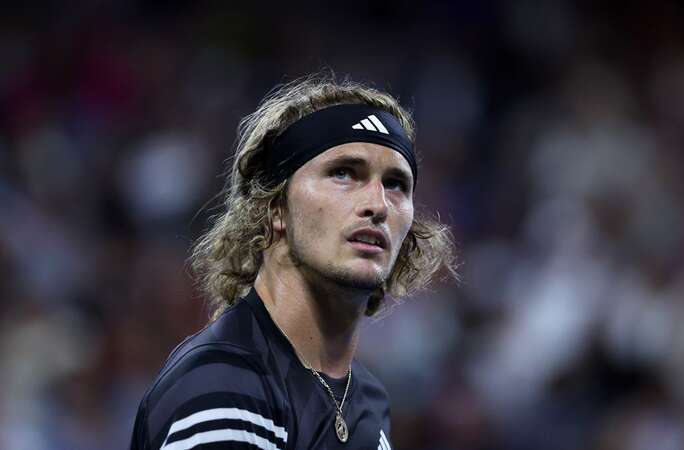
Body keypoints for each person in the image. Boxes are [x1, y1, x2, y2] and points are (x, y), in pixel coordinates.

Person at [129, 75, 456, 450]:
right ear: (275, 207)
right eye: (344, 173)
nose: (378, 205)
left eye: (396, 183)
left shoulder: (367, 399)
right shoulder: (226, 383)